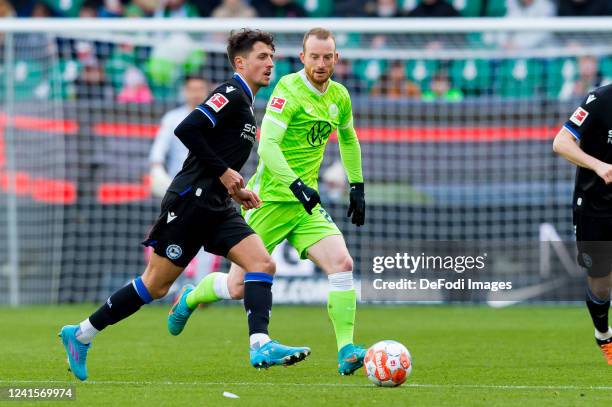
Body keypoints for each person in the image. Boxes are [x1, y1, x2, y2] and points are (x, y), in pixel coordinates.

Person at [59, 29, 310, 381]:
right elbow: (187, 129)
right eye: (262, 56)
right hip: (190, 201)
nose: (270, 63)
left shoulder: (248, 105)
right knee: (155, 286)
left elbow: (214, 152)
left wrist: (234, 189)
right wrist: (224, 172)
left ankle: (260, 344)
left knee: (262, 264)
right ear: (240, 62)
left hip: (218, 205)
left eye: (271, 56)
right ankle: (82, 333)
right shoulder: (230, 92)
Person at [170, 28, 367, 376]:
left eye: (328, 57)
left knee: (342, 265)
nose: (321, 64)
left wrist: (357, 185)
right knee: (235, 287)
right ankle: (190, 296)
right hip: (270, 200)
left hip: (305, 206)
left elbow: (348, 138)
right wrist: (295, 184)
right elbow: (268, 146)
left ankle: (347, 349)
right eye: (314, 57)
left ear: (336, 59)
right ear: (303, 57)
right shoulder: (287, 91)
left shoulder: (339, 96)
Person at [552, 83, 612, 365]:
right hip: (595, 207)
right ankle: (603, 334)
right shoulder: (600, 100)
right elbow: (561, 142)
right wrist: (598, 165)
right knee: (601, 283)